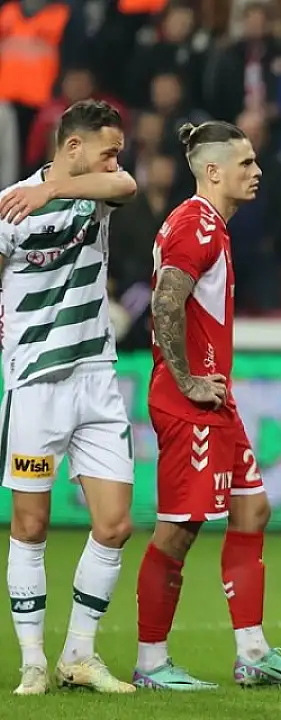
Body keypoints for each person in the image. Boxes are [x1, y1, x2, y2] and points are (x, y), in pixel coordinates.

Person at [136, 121, 281, 690]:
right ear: (213, 171)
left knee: (251, 510)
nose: (257, 172)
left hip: (216, 401)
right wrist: (186, 379)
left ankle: (253, 652)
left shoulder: (208, 224)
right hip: (190, 402)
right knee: (178, 531)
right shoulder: (196, 226)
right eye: (245, 163)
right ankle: (150, 662)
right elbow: (166, 301)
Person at [0, 100, 137, 695]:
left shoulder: (93, 195)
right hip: (36, 387)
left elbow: (127, 186)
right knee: (31, 524)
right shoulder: (9, 207)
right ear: (73, 145)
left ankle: (78, 654)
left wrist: (53, 189)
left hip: (97, 382)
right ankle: (33, 660)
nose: (115, 162)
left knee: (115, 524)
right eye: (108, 150)